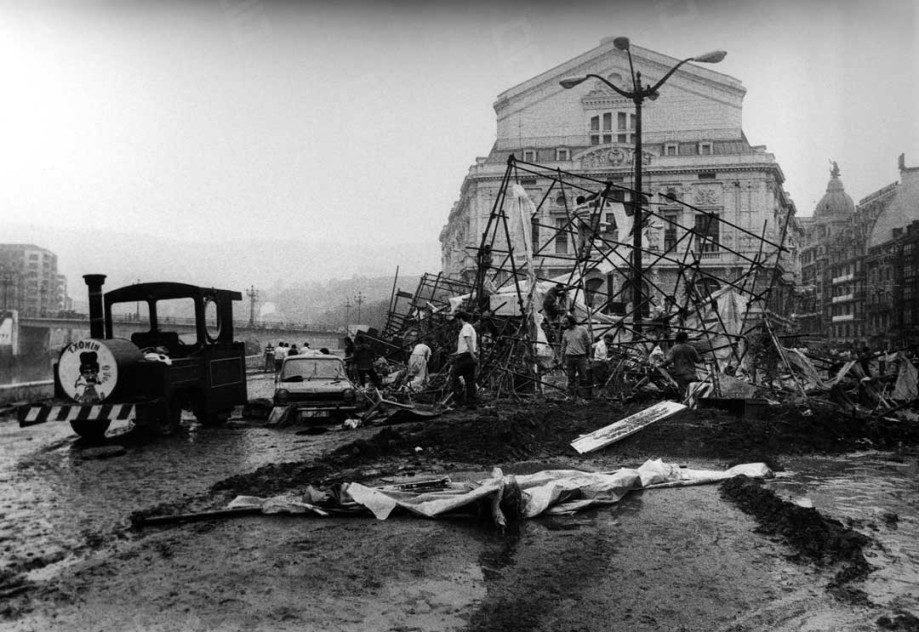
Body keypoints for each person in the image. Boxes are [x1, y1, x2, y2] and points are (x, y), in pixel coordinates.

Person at [560, 314, 591, 400]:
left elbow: (588, 343)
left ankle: (582, 397)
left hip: (581, 357)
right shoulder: (565, 333)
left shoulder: (582, 330)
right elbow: (563, 347)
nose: (565, 325)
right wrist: (561, 359)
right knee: (571, 377)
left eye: (566, 323)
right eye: (564, 323)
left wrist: (589, 356)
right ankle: (571, 396)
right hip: (569, 357)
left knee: (583, 377)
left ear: (571, 322)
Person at [451, 310, 478, 410]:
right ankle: (471, 403)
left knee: (454, 375)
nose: (457, 323)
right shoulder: (471, 327)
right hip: (468, 356)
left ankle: (458, 401)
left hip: (465, 357)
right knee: (469, 380)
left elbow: (468, 341)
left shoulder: (465, 328)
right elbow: (469, 344)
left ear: (460, 319)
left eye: (457, 320)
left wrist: (471, 354)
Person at [662, 331, 701, 397]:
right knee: (693, 393)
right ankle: (694, 406)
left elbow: (668, 360)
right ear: (686, 339)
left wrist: (662, 365)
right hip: (692, 373)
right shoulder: (691, 348)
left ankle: (687, 405)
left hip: (681, 375)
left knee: (684, 394)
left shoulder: (674, 349)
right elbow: (698, 360)